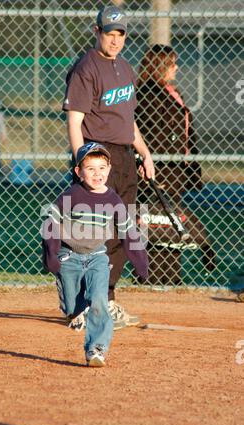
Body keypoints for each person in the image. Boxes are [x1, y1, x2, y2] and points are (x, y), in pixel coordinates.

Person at [62, 4, 155, 329]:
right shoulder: (86, 68)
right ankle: (83, 305)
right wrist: (82, 163)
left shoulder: (126, 69)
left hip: (125, 159)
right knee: (88, 233)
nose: (115, 40)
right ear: (96, 32)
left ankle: (107, 300)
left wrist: (144, 153)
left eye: (120, 34)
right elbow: (75, 122)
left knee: (120, 231)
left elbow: (128, 122)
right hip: (97, 160)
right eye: (109, 33)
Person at [40, 142, 149, 367]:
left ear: (109, 169)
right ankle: (74, 309)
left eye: (102, 167)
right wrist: (51, 255)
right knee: (73, 307)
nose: (97, 173)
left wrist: (141, 263)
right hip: (69, 257)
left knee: (100, 299)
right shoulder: (71, 195)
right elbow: (50, 223)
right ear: (78, 172)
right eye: (90, 168)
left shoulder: (113, 200)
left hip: (98, 257)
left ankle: (96, 348)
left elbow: (129, 232)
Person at [135, 44, 215, 285]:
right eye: (171, 64)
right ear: (160, 67)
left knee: (171, 220)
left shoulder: (170, 90)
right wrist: (143, 160)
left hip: (175, 170)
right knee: (155, 219)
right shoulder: (147, 94)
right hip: (156, 167)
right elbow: (145, 132)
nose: (176, 68)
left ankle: (170, 277)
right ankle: (150, 277)